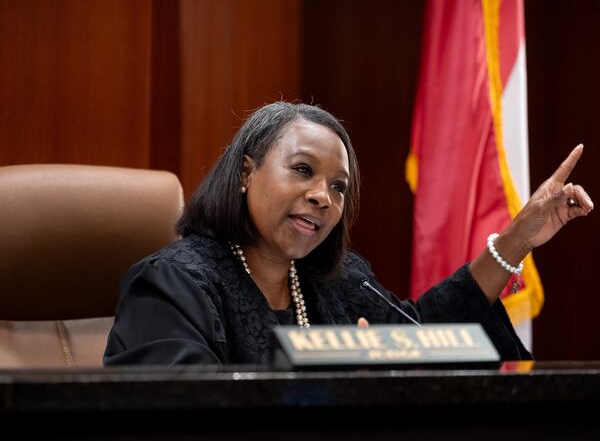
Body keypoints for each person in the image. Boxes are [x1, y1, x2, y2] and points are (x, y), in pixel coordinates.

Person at [104, 101, 593, 366]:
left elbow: (422, 335)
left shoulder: (338, 281)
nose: (323, 196)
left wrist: (517, 240)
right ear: (246, 174)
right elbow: (176, 414)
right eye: (302, 170)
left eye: (338, 187)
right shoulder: (173, 284)